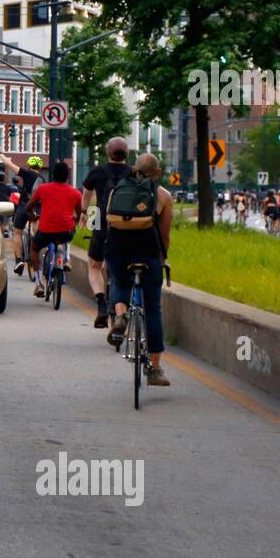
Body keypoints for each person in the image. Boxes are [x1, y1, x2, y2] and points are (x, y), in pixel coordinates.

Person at [105, 153, 174, 387]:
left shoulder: (116, 190)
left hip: (118, 249)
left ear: (134, 168)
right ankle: (154, 369)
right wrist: (163, 258)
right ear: (157, 172)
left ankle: (121, 313)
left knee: (119, 281)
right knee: (152, 308)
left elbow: (108, 221)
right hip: (147, 252)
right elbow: (164, 235)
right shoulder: (163, 196)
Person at [79, 137, 132, 328]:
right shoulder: (134, 172)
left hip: (103, 225)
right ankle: (120, 313)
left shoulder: (98, 172)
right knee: (120, 272)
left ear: (108, 153)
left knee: (94, 266)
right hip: (129, 230)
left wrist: (85, 213)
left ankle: (101, 305)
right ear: (127, 153)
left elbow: (86, 195)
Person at [25, 161, 82, 298]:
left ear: (53, 174)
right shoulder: (75, 193)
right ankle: (66, 259)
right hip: (65, 231)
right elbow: (78, 213)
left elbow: (29, 207)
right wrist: (75, 221)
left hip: (46, 231)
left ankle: (39, 283)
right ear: (68, 176)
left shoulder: (43, 188)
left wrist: (33, 216)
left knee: (34, 248)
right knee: (69, 232)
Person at [0, 153, 45, 274]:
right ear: (40, 167)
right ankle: (36, 252)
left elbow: (9, 164)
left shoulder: (27, 173)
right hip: (37, 209)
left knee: (17, 232)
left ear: (29, 166)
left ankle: (19, 260)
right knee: (37, 230)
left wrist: (0, 154)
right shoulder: (43, 179)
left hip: (24, 207)